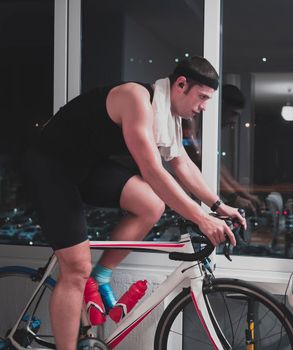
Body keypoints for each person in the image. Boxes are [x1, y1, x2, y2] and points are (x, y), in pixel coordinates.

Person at [24, 56, 246, 349]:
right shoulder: (136, 99)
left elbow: (182, 165)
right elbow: (153, 171)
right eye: (202, 97)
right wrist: (201, 219)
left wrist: (218, 206)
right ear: (181, 85)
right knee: (76, 269)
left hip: (88, 167)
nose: (204, 106)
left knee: (151, 205)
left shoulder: (170, 117)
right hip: (52, 167)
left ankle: (101, 276)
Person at [183, 84, 263, 216]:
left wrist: (245, 194)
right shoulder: (190, 118)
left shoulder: (204, 126)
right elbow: (199, 159)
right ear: (220, 105)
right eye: (232, 113)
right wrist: (233, 197)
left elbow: (217, 167)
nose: (233, 122)